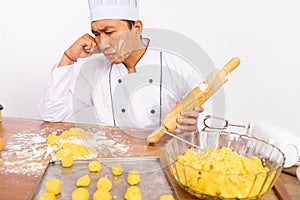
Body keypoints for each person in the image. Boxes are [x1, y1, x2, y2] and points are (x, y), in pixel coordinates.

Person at [39, 0, 205, 133]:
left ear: (137, 28)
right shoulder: (94, 70)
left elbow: (207, 130)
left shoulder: (178, 67)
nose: (102, 43)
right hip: (111, 163)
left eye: (110, 32)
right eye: (96, 34)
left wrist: (194, 128)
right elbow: (52, 114)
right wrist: (69, 57)